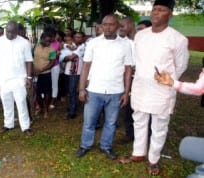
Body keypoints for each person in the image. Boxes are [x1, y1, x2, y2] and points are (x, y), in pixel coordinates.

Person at [119, 0, 189, 176]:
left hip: (162, 89)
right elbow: (137, 60)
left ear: (170, 14)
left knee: (159, 125)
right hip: (141, 86)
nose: (155, 13)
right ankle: (138, 153)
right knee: (139, 119)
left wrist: (168, 81)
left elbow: (181, 66)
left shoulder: (178, 39)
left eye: (161, 10)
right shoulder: (141, 35)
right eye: (154, 9)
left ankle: (153, 159)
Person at [76, 14, 133, 159]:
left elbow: (128, 69)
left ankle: (106, 146)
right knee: (89, 121)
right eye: (104, 24)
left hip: (116, 91)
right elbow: (86, 66)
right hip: (94, 89)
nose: (107, 27)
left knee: (111, 122)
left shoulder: (126, 44)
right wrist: (82, 88)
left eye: (111, 24)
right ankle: (85, 145)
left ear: (118, 26)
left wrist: (126, 92)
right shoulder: (93, 43)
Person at [0, 20, 33, 136]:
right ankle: (8, 124)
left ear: (17, 32)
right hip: (3, 78)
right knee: (6, 101)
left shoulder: (24, 43)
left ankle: (26, 126)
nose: (9, 35)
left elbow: (29, 61)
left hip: (19, 78)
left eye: (12, 33)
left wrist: (28, 77)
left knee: (21, 101)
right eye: (7, 32)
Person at [59, 31, 86, 119]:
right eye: (76, 37)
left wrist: (66, 56)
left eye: (79, 37)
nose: (77, 38)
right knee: (69, 91)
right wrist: (65, 56)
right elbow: (62, 58)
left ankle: (72, 111)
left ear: (83, 38)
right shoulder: (70, 46)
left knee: (72, 90)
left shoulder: (82, 47)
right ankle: (71, 106)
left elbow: (70, 57)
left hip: (76, 72)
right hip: (67, 71)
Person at [118, 16, 136, 143]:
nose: (120, 29)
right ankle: (129, 134)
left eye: (122, 26)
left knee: (140, 107)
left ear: (131, 25)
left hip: (140, 79)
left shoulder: (141, 41)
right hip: (126, 77)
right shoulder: (122, 42)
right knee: (127, 106)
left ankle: (144, 135)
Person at [33, 31, 56, 118]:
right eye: (46, 41)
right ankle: (40, 108)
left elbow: (52, 62)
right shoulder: (35, 46)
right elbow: (30, 58)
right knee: (37, 92)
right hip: (35, 73)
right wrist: (33, 70)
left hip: (46, 73)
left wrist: (42, 69)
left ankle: (46, 109)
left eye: (49, 41)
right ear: (41, 39)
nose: (48, 43)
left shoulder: (52, 49)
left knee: (47, 92)